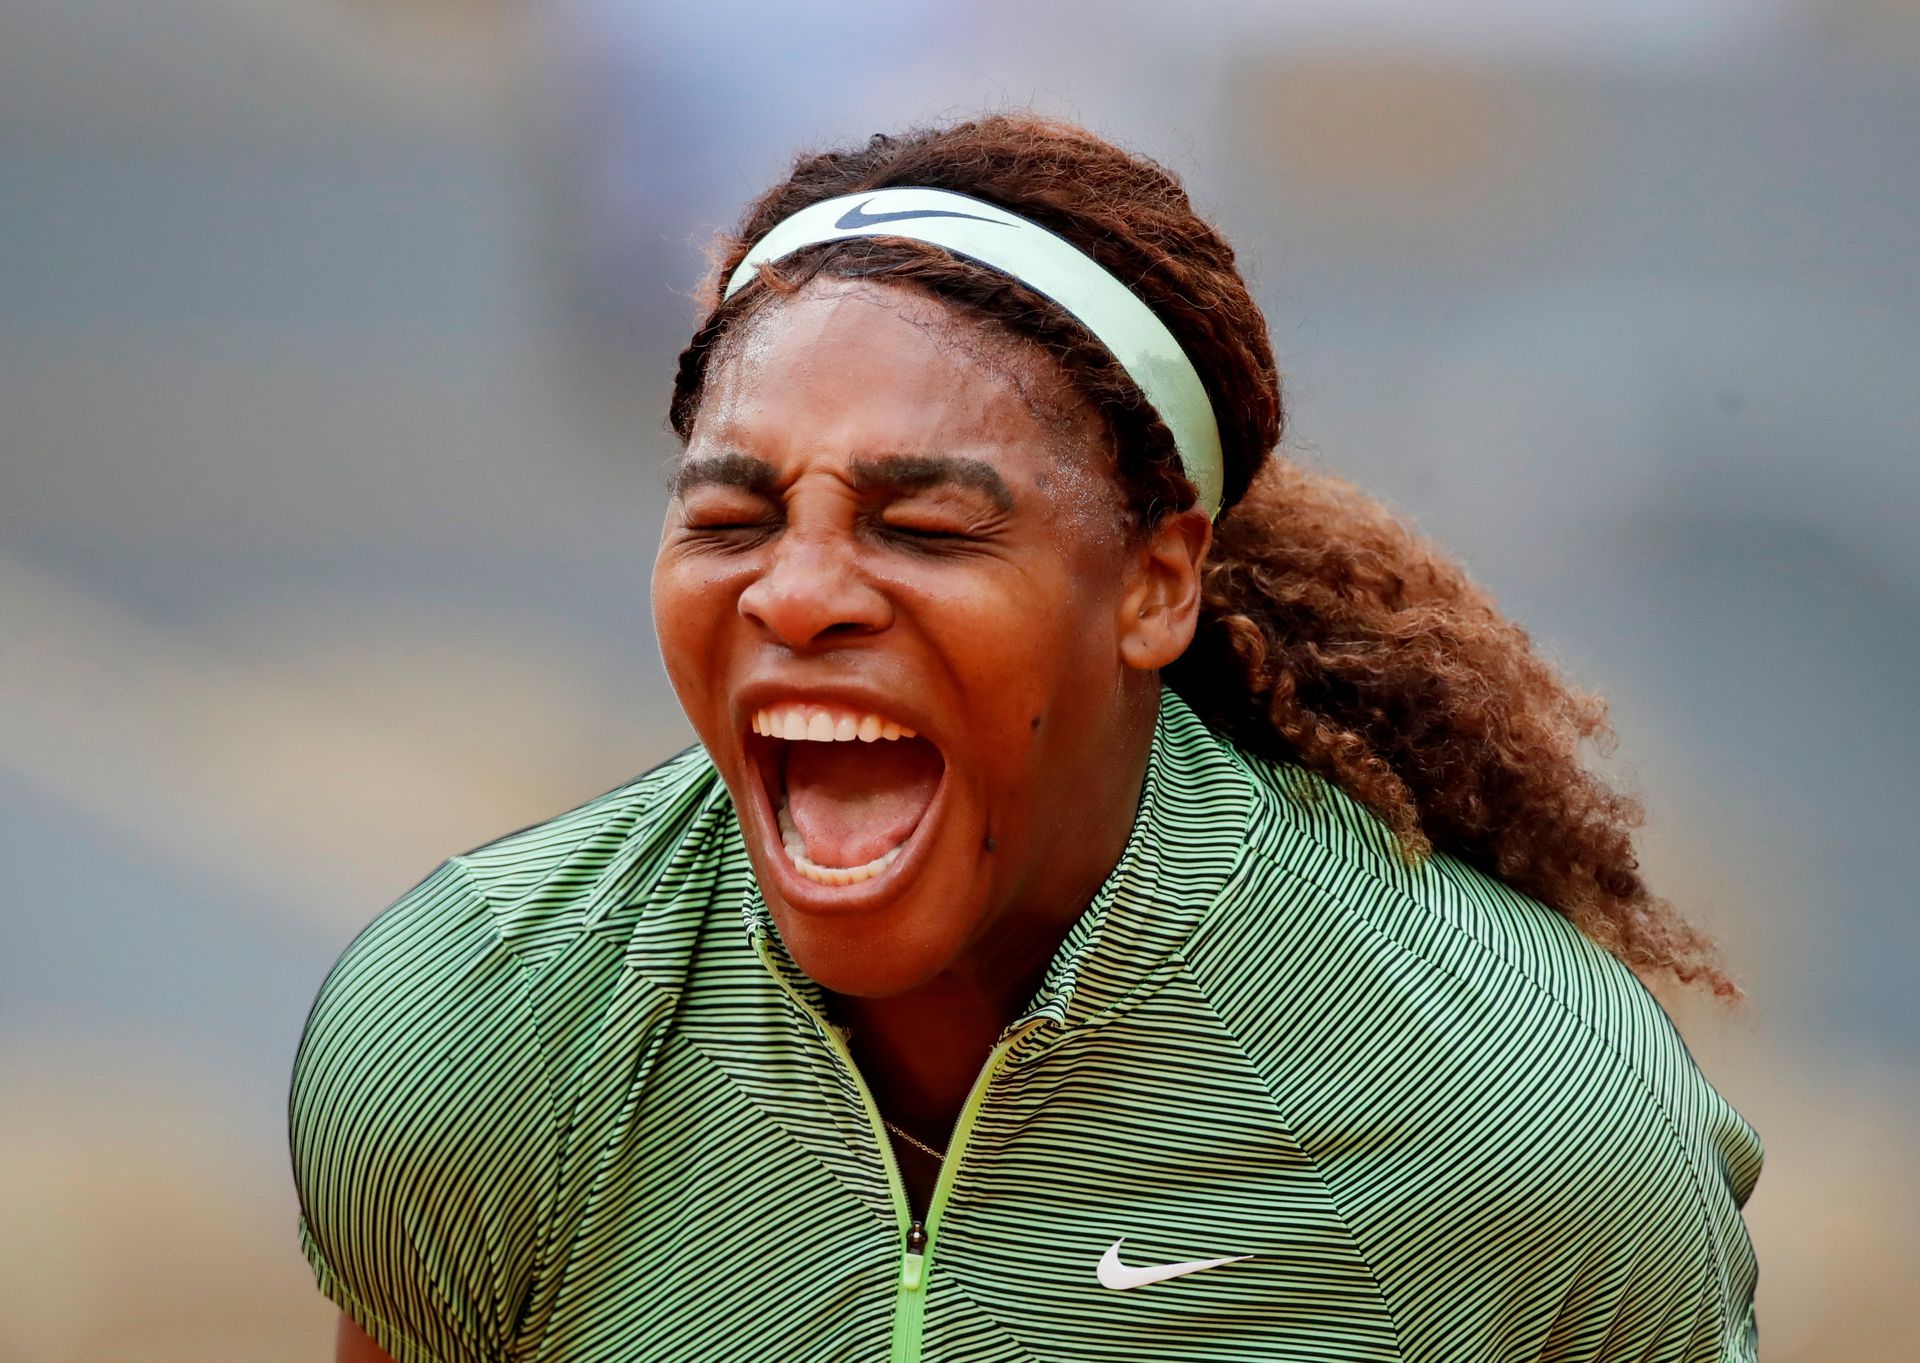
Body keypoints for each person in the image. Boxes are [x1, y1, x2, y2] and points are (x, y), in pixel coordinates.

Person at [290, 115, 1762, 1363]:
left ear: (1155, 582)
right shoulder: (483, 1028)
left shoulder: (1521, 1118)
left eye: (923, 525)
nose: (795, 593)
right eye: (731, 519)